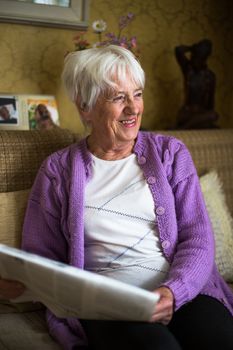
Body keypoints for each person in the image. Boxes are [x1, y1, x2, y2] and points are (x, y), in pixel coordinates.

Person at [0, 45, 233, 350]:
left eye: (137, 94)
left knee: (220, 341)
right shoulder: (58, 171)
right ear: (85, 106)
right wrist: (23, 283)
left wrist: (174, 291)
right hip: (107, 304)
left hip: (182, 288)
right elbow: (42, 256)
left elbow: (198, 236)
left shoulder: (170, 153)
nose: (134, 108)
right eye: (119, 97)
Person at [175, 39, 219, 129]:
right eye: (193, 56)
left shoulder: (210, 76)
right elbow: (178, 50)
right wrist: (193, 47)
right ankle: (190, 125)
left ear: (204, 59)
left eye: (197, 58)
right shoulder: (188, 70)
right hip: (187, 113)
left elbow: (211, 101)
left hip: (201, 113)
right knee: (182, 117)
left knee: (213, 115)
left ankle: (184, 128)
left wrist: (207, 116)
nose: (193, 59)